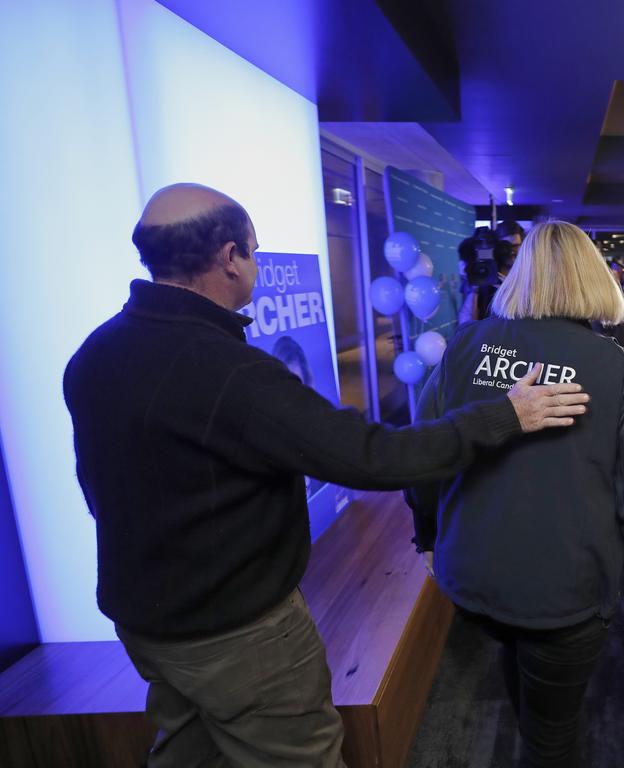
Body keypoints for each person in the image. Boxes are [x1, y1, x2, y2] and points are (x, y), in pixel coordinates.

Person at [62, 183, 590, 767]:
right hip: (238, 633)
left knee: (189, 753)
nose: (257, 265)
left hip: (144, 624)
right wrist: (506, 415)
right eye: (256, 251)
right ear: (230, 257)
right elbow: (372, 457)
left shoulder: (95, 353)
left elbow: (98, 490)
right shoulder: (233, 374)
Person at [406, 221, 624, 767]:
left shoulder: (463, 347)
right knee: (554, 736)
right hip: (565, 587)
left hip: (476, 572)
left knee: (518, 665)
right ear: (592, 278)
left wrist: (429, 536)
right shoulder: (612, 365)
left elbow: (425, 454)